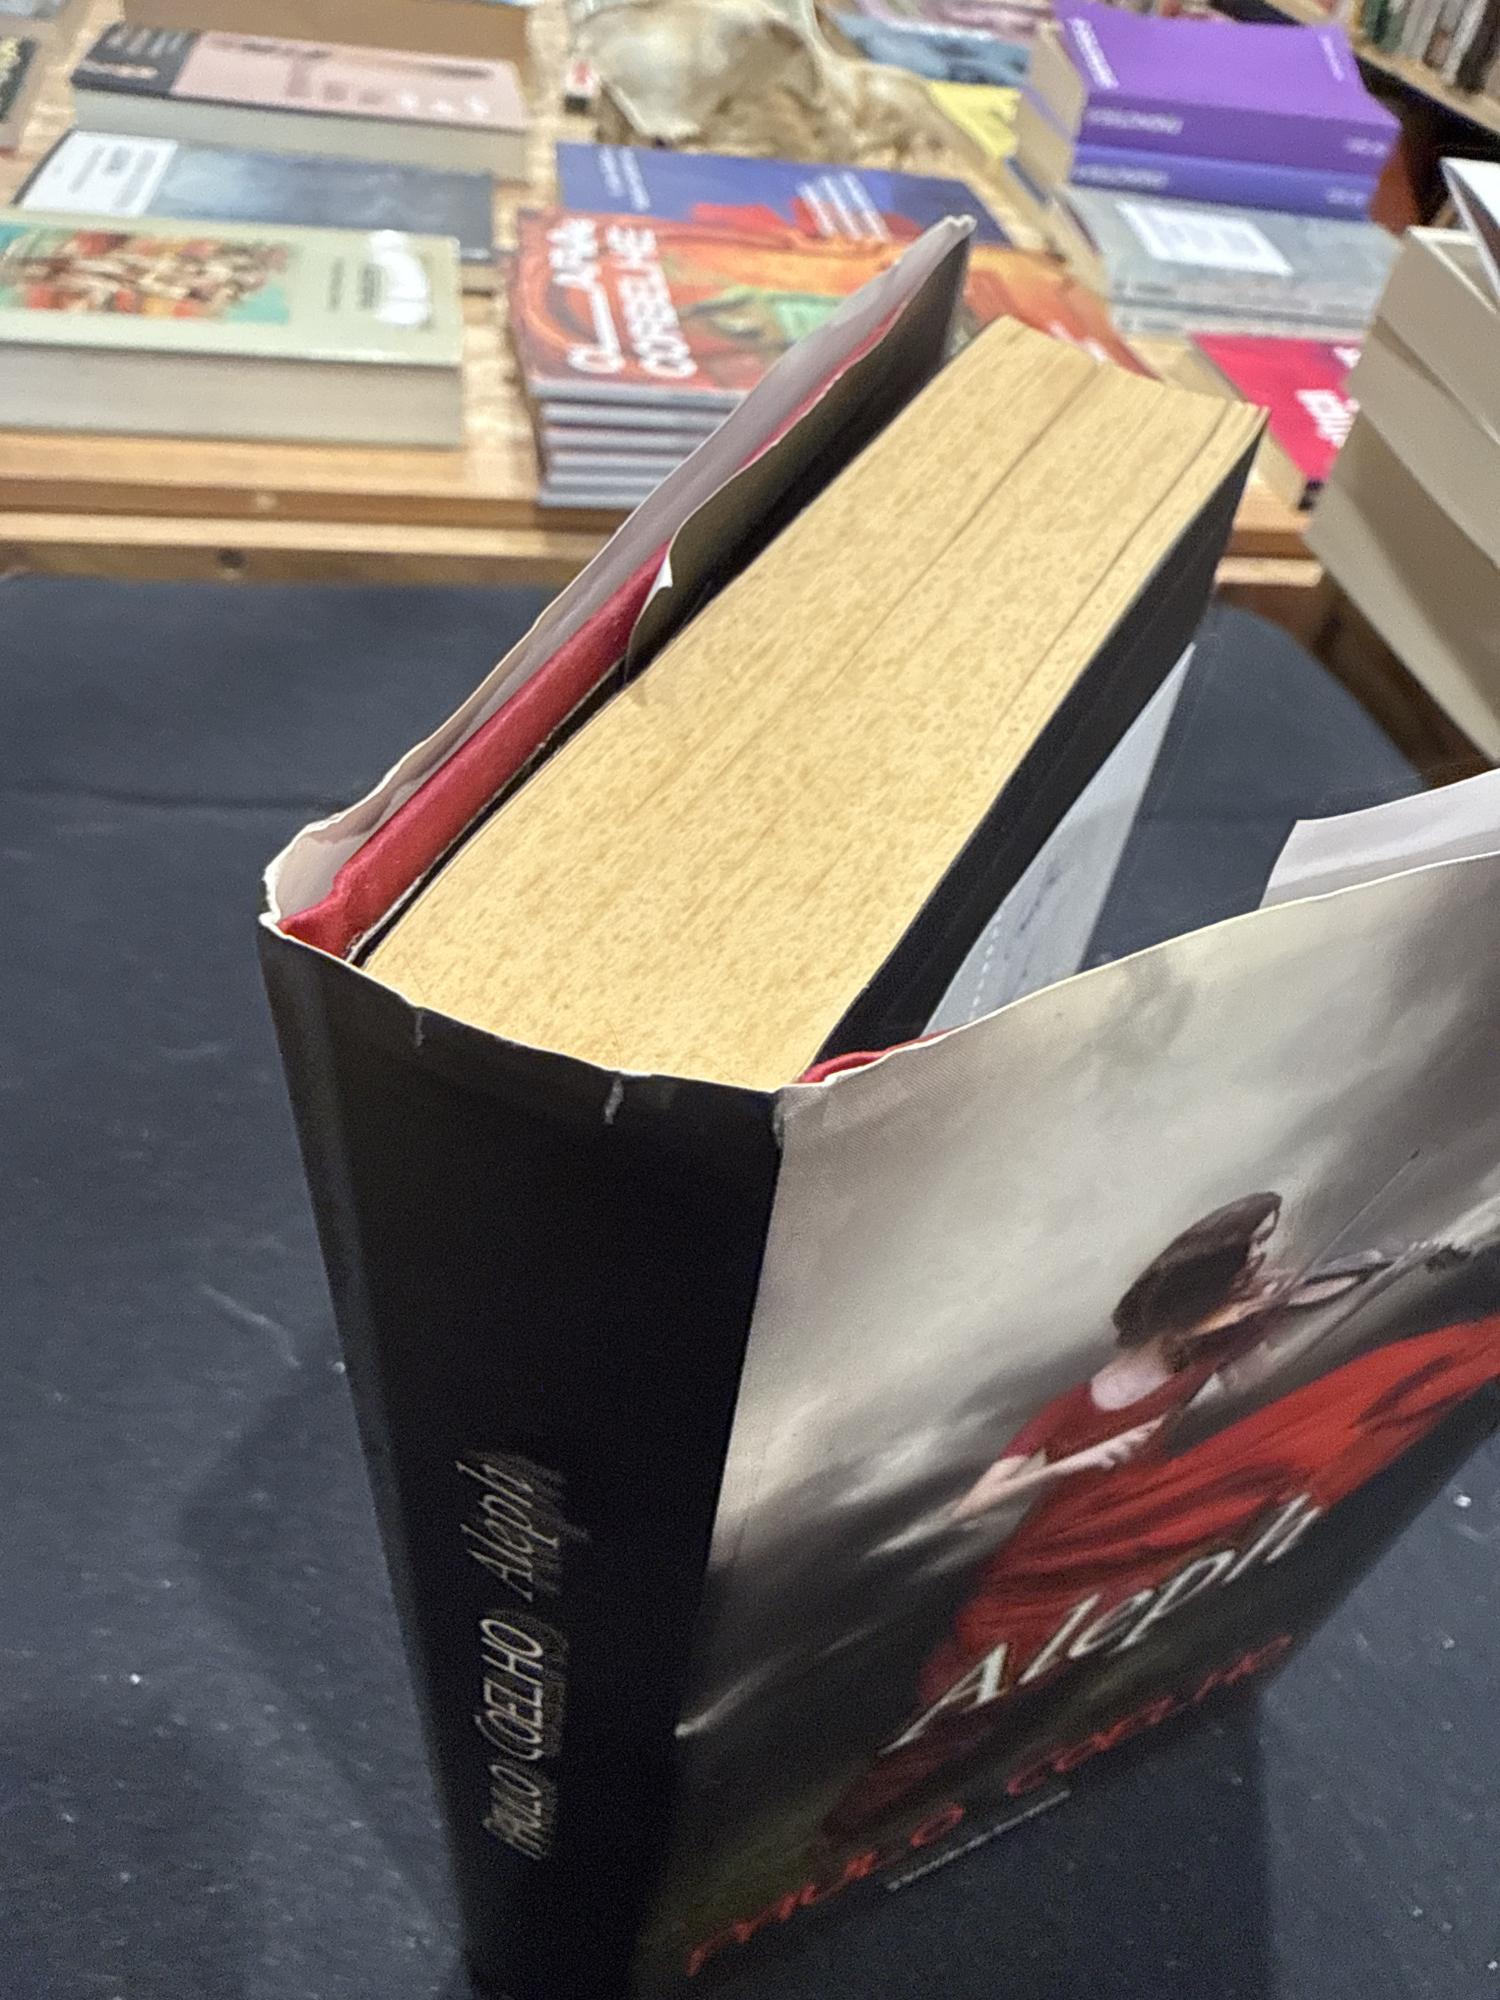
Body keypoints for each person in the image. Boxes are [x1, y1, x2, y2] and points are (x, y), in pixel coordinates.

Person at [822, 1192, 1500, 1838]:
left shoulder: (1204, 1348)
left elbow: (1252, 1377)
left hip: (1151, 1503)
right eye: (1250, 1251)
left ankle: (927, 1792)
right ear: (1208, 1273)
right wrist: (1077, 1462)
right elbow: (973, 1504)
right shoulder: (1078, 1401)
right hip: (1065, 1538)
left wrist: (1286, 1313)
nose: (1259, 1264)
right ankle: (868, 1809)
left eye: (1262, 1249)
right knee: (982, 1672)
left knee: (1314, 1439)